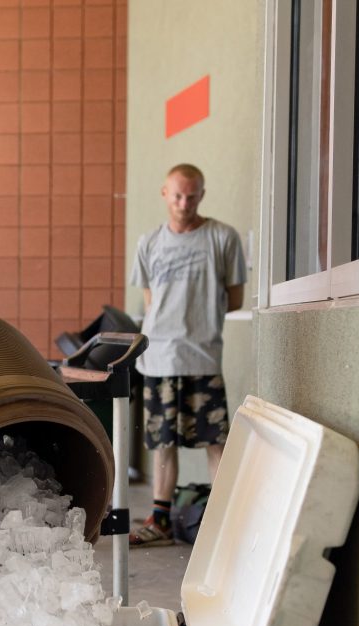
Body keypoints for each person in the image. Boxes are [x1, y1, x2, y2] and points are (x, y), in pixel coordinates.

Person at [128, 163, 246, 547]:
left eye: (192, 196)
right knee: (163, 442)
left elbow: (235, 298)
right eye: (177, 195)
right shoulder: (149, 243)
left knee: (216, 439)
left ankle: (226, 519)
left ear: (202, 195)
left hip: (202, 357)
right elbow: (150, 302)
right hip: (159, 357)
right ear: (164, 193)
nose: (184, 203)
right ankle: (160, 519)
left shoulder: (222, 237)